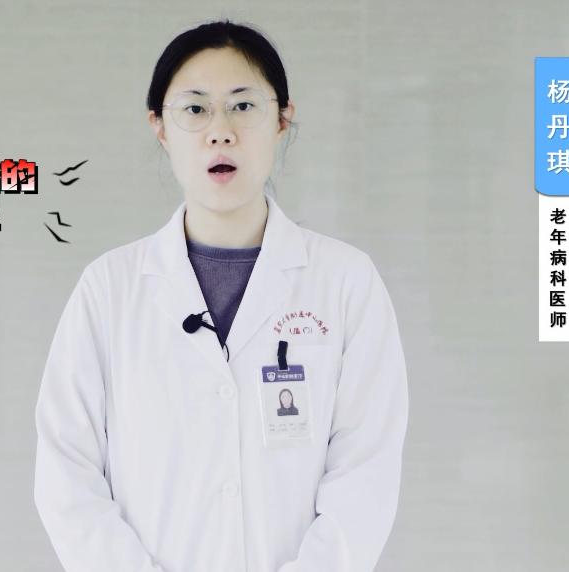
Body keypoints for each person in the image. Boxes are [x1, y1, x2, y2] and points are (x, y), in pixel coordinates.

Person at [34, 18, 409, 572]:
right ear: (160, 126)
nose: (220, 132)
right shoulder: (109, 289)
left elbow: (365, 474)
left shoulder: (346, 283)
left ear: (282, 119)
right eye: (195, 109)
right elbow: (67, 475)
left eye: (243, 106)